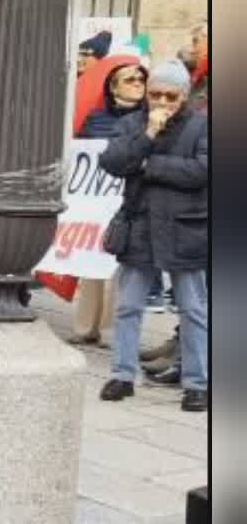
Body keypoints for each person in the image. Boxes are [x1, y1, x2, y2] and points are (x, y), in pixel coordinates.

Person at [98, 60, 208, 412]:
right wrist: (146, 136)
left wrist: (151, 165)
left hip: (185, 228)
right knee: (129, 306)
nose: (162, 101)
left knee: (193, 309)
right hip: (141, 225)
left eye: (170, 96)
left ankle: (197, 383)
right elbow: (113, 162)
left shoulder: (201, 125)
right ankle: (123, 375)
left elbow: (202, 171)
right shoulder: (132, 123)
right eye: (155, 94)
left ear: (184, 96)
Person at [67, 56, 147, 347]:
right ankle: (85, 326)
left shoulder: (150, 120)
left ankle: (112, 329)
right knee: (91, 263)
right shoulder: (96, 119)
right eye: (130, 79)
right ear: (113, 88)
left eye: (141, 79)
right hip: (95, 202)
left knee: (120, 267)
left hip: (130, 201)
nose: (137, 84)